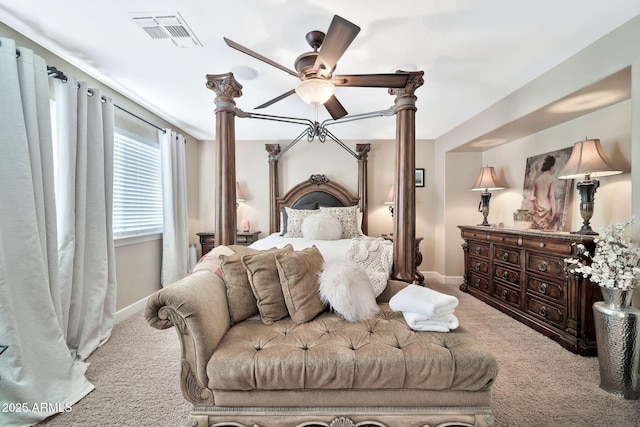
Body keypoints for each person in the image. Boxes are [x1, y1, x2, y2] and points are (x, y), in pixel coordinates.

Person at [530, 155, 558, 230]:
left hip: (537, 206)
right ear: (551, 166)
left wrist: (536, 202)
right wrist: (554, 211)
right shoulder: (552, 179)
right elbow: (551, 196)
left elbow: (531, 197)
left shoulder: (537, 180)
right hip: (547, 207)